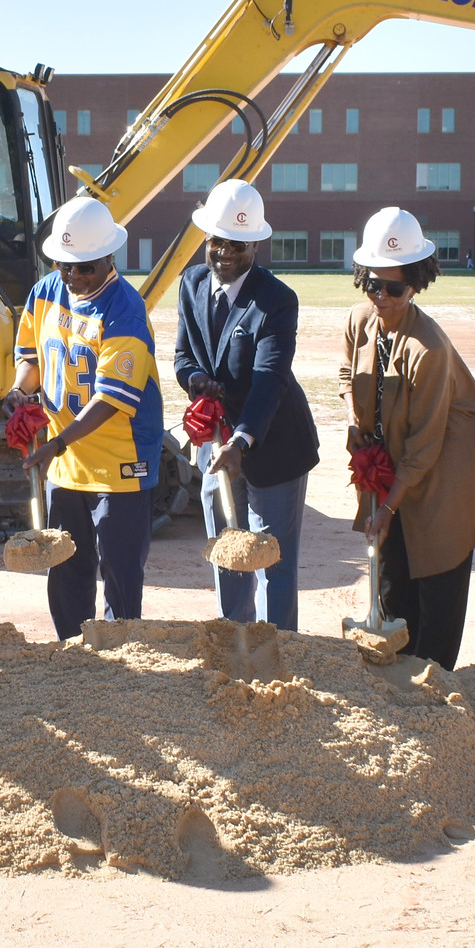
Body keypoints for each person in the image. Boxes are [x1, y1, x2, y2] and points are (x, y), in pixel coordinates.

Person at [337, 207, 475, 669]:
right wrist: (355, 425)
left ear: (417, 283)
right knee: (392, 568)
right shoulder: (358, 321)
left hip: (447, 470)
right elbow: (348, 375)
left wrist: (388, 506)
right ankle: (393, 675)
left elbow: (426, 444)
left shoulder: (429, 348)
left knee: (436, 580)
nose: (381, 296)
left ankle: (435, 685)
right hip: (396, 458)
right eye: (372, 283)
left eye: (394, 287)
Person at [7, 197, 161, 640]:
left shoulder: (126, 310)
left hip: (119, 463)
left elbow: (110, 400)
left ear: (109, 257)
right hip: (66, 463)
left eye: (84, 267)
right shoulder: (44, 292)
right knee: (67, 570)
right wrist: (21, 389)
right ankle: (71, 655)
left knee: (120, 572)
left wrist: (56, 443)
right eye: (64, 265)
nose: (73, 276)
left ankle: (120, 662)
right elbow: (31, 356)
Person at [173, 179, 318, 630]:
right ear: (206, 239)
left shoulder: (276, 300)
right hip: (215, 443)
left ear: (255, 244)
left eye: (238, 244)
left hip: (272, 442)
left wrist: (241, 439)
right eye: (218, 241)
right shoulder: (191, 283)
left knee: (272, 556)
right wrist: (195, 379)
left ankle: (279, 647)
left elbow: (268, 380)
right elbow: (183, 356)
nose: (225, 253)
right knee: (229, 548)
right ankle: (234, 639)